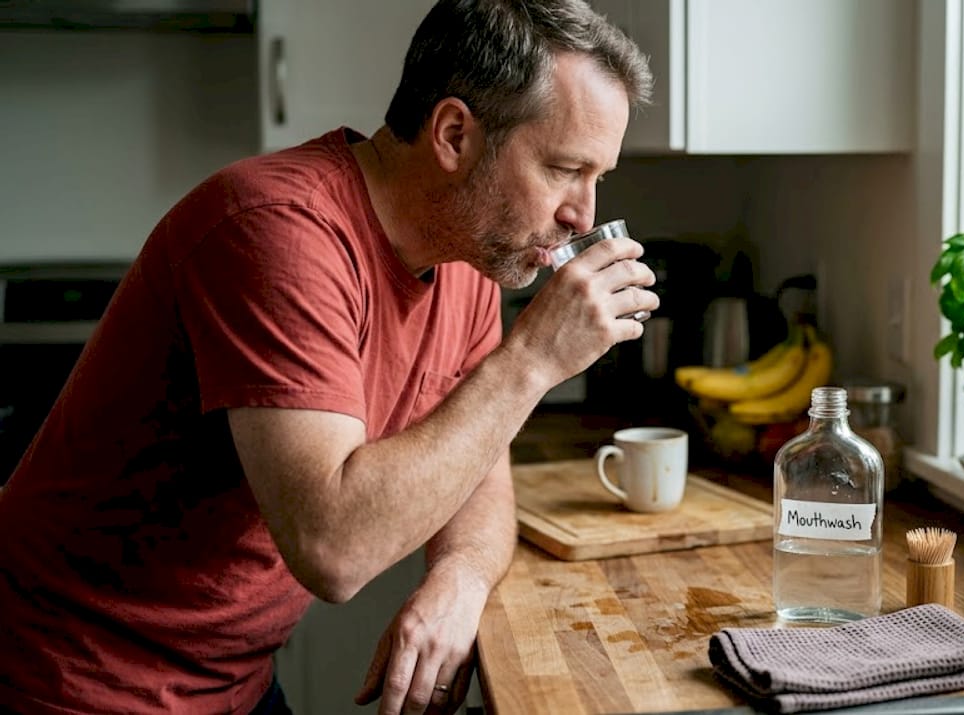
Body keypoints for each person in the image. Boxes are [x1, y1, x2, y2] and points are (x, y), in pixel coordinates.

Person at [0, 0, 656, 713]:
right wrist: (532, 359)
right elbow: (334, 549)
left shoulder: (472, 254)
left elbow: (480, 468)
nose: (583, 215)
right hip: (69, 679)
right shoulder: (275, 230)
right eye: (566, 168)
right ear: (454, 134)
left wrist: (460, 580)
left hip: (232, 679)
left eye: (599, 177)